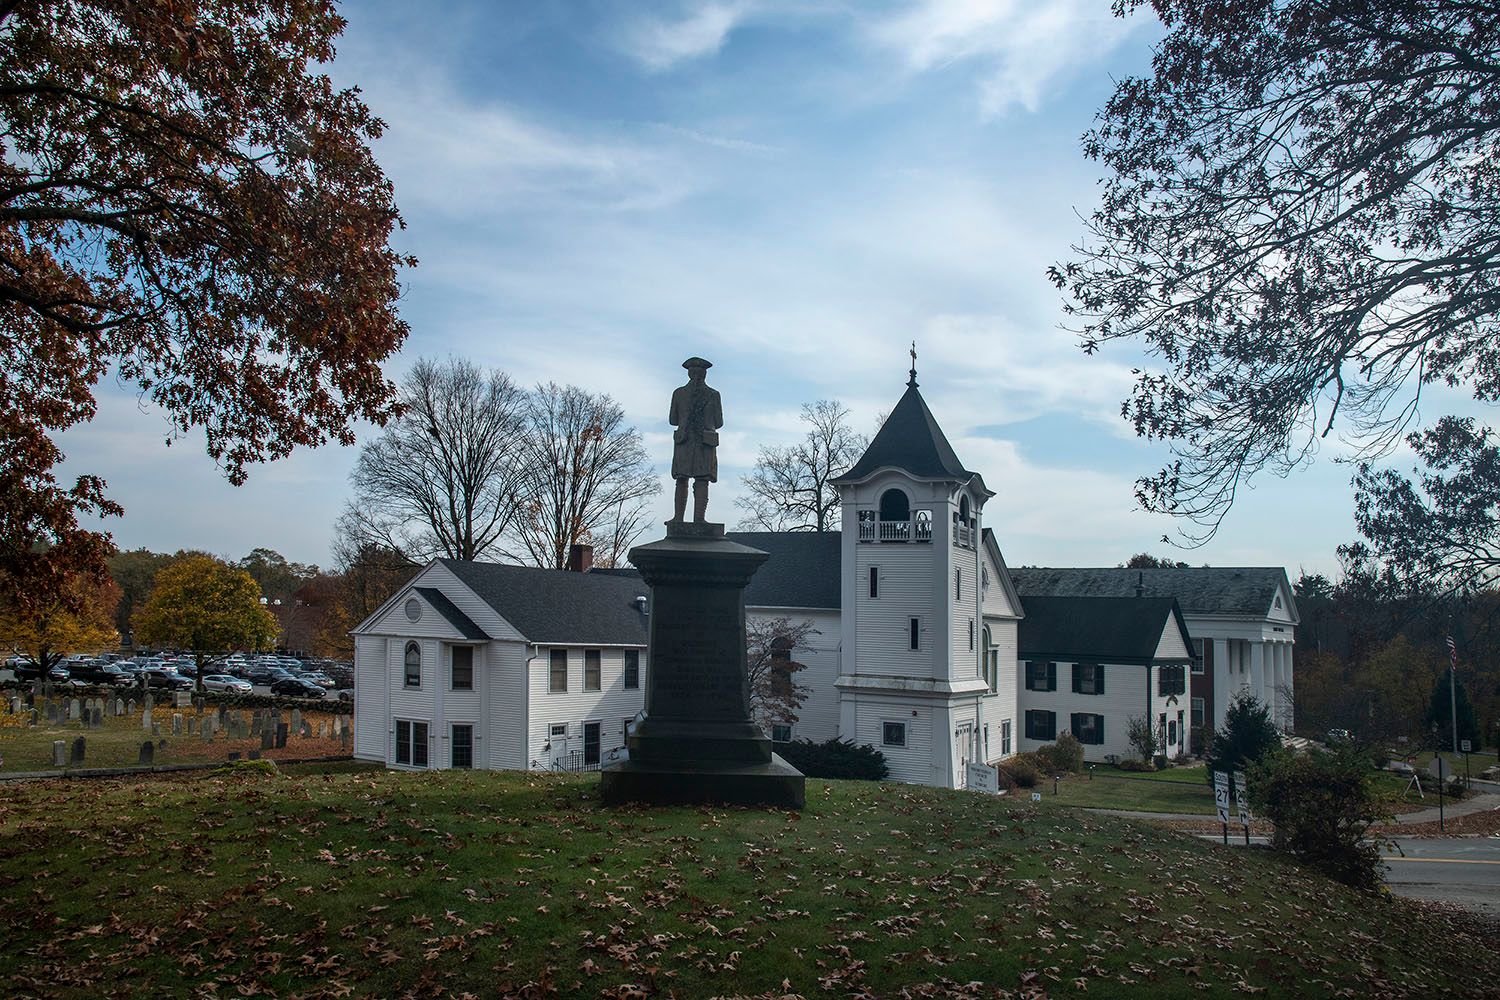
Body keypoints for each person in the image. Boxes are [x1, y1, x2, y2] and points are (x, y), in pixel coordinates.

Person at [668, 357, 722, 523]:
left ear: (690, 374)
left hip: (684, 440)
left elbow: (673, 419)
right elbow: (719, 422)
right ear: (704, 374)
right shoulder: (713, 395)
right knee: (701, 480)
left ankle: (678, 518)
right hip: (705, 441)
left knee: (682, 479)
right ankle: (699, 519)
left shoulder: (679, 393)